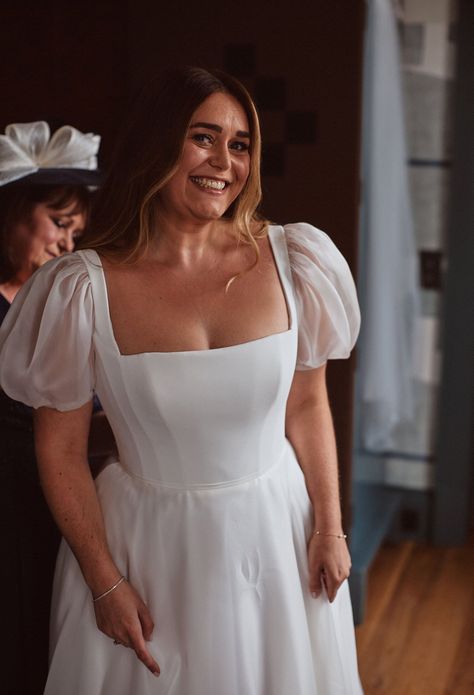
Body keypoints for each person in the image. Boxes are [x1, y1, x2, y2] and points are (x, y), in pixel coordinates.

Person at [0, 69, 363, 694]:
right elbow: (59, 446)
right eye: (203, 137)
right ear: (157, 144)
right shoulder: (81, 288)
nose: (224, 161)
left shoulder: (294, 260)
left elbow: (306, 404)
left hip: (277, 536)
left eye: (240, 143)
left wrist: (329, 526)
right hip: (144, 549)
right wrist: (103, 580)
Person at [0, 121, 109, 694]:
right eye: (59, 224)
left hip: (61, 497)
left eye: (77, 230)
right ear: (11, 212)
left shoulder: (60, 302)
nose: (69, 243)